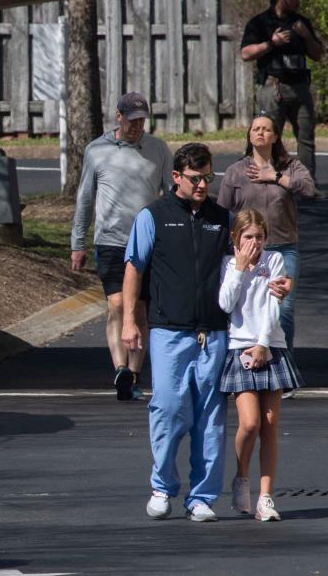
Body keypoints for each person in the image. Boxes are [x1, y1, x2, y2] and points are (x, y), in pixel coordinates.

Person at [122, 143, 290, 522]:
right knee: (166, 407)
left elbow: (254, 259)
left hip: (214, 334)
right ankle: (162, 487)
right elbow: (134, 267)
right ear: (176, 177)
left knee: (210, 417)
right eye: (195, 178)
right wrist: (131, 320)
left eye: (207, 177)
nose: (202, 185)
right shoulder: (154, 216)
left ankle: (202, 496)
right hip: (168, 331)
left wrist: (281, 283)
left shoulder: (221, 218)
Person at [70, 92, 173, 401]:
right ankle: (120, 370)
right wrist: (78, 242)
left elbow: (170, 193)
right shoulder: (97, 150)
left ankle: (135, 373)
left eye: (142, 121)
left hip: (147, 242)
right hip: (110, 241)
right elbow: (85, 198)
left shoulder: (157, 149)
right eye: (132, 120)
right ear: (118, 117)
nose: (137, 126)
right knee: (117, 305)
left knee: (141, 309)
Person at [219, 209, 304, 521]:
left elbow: (273, 306)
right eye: (248, 237)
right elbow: (226, 304)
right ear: (236, 239)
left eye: (259, 237)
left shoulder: (274, 262)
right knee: (250, 422)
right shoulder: (227, 265)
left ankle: (265, 497)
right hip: (239, 346)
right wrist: (240, 270)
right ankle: (242, 477)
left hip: (270, 345)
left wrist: (264, 344)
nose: (254, 243)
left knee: (270, 423)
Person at [217, 113, 313, 360]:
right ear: (249, 135)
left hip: (283, 248)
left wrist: (276, 177)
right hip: (247, 249)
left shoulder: (290, 166)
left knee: (283, 308)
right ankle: (247, 354)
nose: (260, 132)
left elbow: (309, 188)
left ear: (275, 136)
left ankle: (283, 362)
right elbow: (221, 211)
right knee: (248, 305)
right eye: (255, 128)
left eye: (266, 129)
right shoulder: (235, 171)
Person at [240, 0, 328, 200]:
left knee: (306, 137)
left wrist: (306, 35)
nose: (298, 1)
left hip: (299, 86)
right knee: (267, 138)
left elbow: (317, 54)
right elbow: (246, 53)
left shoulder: (301, 22)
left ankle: (308, 186)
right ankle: (264, 186)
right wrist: (272, 43)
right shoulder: (260, 23)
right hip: (274, 87)